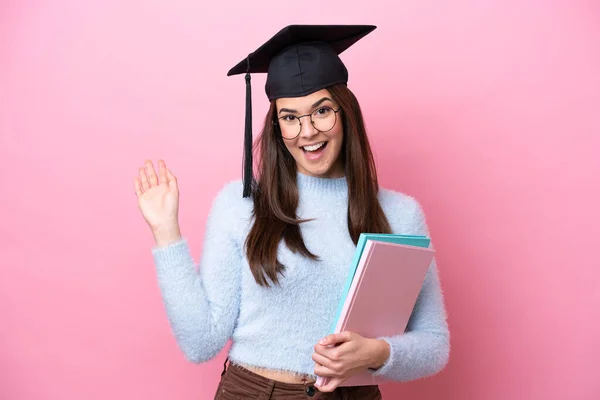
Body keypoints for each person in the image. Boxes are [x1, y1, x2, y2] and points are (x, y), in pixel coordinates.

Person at [133, 25, 449, 400]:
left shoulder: (398, 213)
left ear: (346, 113)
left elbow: (434, 344)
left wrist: (378, 353)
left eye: (322, 111)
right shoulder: (240, 205)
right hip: (253, 392)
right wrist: (166, 233)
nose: (307, 131)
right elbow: (200, 342)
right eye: (290, 117)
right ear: (276, 125)